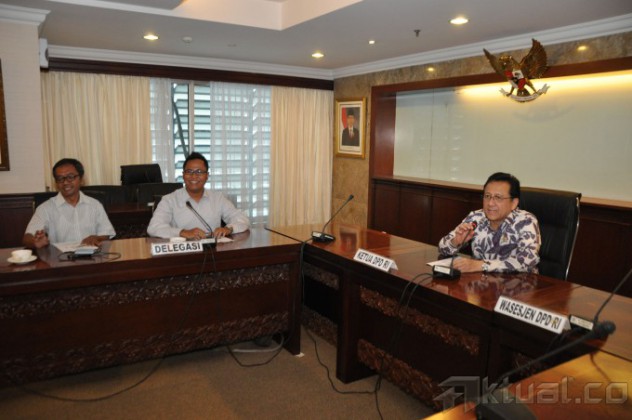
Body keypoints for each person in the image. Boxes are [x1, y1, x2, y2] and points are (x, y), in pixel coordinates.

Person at [438, 172, 541, 273]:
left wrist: (481, 265)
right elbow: (442, 248)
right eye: (487, 196)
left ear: (514, 203)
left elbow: (528, 261)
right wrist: (455, 242)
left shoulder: (526, 221)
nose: (490, 203)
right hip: (480, 280)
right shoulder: (476, 217)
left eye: (498, 197)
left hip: (520, 282)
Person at [147, 152, 250, 239]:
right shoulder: (169, 200)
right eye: (189, 171)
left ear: (207, 176)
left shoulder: (217, 198)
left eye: (199, 172)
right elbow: (154, 228)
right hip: (182, 253)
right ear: (183, 175)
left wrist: (228, 229)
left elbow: (242, 219)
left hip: (212, 252)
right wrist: (183, 232)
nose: (194, 176)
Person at [23, 158, 116, 249]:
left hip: (92, 256)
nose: (65, 182)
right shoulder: (45, 208)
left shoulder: (95, 205)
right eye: (60, 178)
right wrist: (34, 241)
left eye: (70, 177)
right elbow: (27, 237)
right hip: (59, 258)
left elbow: (106, 233)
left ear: (81, 179)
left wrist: (96, 238)